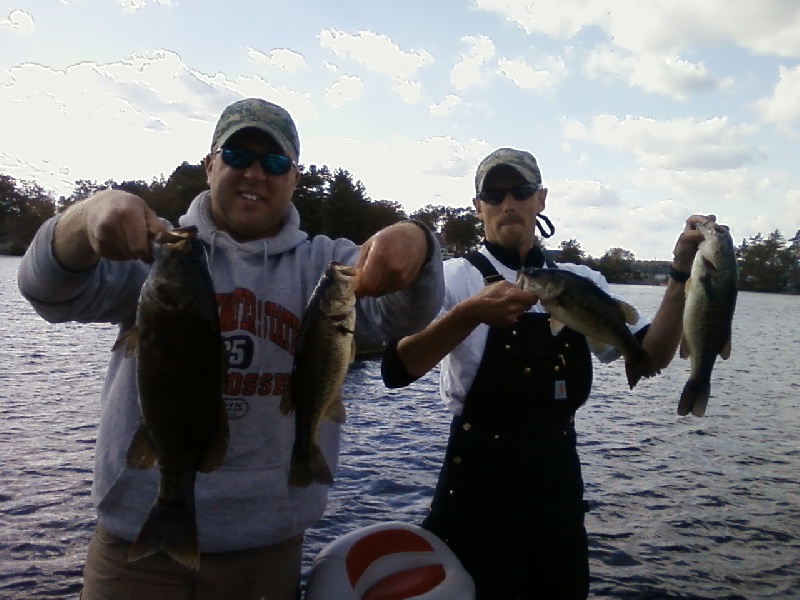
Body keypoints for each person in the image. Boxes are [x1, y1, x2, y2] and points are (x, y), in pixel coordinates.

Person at [17, 97, 444, 600]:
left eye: (276, 161)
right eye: (238, 155)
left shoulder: (327, 266)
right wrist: (85, 217)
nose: (256, 173)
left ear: (294, 177)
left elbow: (406, 314)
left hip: (264, 551)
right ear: (210, 165)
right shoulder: (155, 252)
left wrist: (418, 240)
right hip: (136, 546)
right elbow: (45, 289)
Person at [381, 147, 711, 599]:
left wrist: (679, 274)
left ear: (541, 199)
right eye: (493, 194)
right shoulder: (453, 278)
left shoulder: (579, 280)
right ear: (478, 207)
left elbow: (649, 357)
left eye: (520, 190)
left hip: (557, 490)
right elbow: (396, 369)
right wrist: (471, 313)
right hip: (476, 490)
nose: (507, 203)